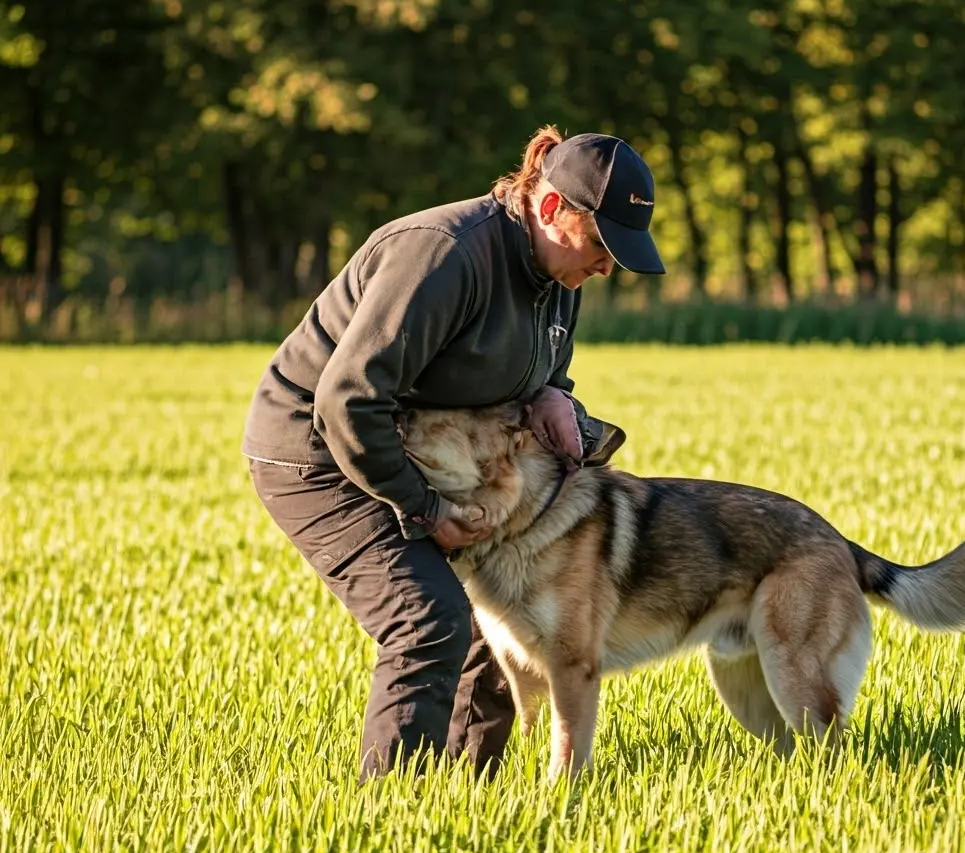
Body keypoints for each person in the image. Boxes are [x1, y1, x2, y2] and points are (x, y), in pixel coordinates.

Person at [241, 126, 666, 782]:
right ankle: (392, 818)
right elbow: (347, 401)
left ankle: (464, 801)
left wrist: (555, 396)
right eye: (602, 244)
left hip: (423, 455)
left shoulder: (559, 280)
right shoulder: (444, 255)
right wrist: (425, 509)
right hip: (320, 452)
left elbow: (538, 369)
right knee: (429, 620)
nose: (608, 266)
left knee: (497, 639)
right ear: (550, 209)